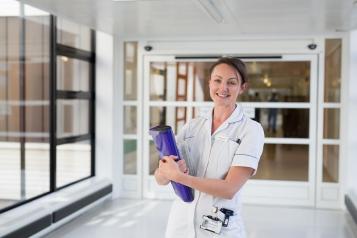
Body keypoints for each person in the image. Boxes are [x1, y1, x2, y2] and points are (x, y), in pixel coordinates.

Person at [154, 57, 265, 238]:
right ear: (209, 83)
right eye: (217, 80)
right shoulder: (193, 126)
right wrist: (165, 172)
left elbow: (229, 189)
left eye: (231, 82)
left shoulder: (250, 130)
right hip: (180, 224)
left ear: (242, 87)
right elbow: (161, 179)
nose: (223, 88)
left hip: (219, 227)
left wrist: (179, 177)